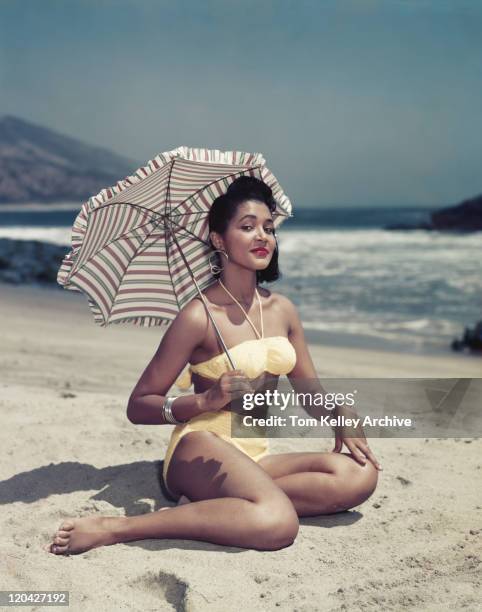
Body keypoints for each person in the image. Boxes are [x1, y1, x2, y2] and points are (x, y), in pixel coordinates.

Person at [46, 176, 380, 555]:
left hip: (256, 454)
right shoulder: (197, 317)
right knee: (278, 523)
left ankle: (220, 508)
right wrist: (204, 403)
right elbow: (139, 404)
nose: (263, 237)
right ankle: (118, 528)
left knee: (359, 474)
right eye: (248, 226)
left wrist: (340, 412)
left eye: (268, 228)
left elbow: (309, 393)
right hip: (200, 448)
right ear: (219, 240)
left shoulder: (283, 310)